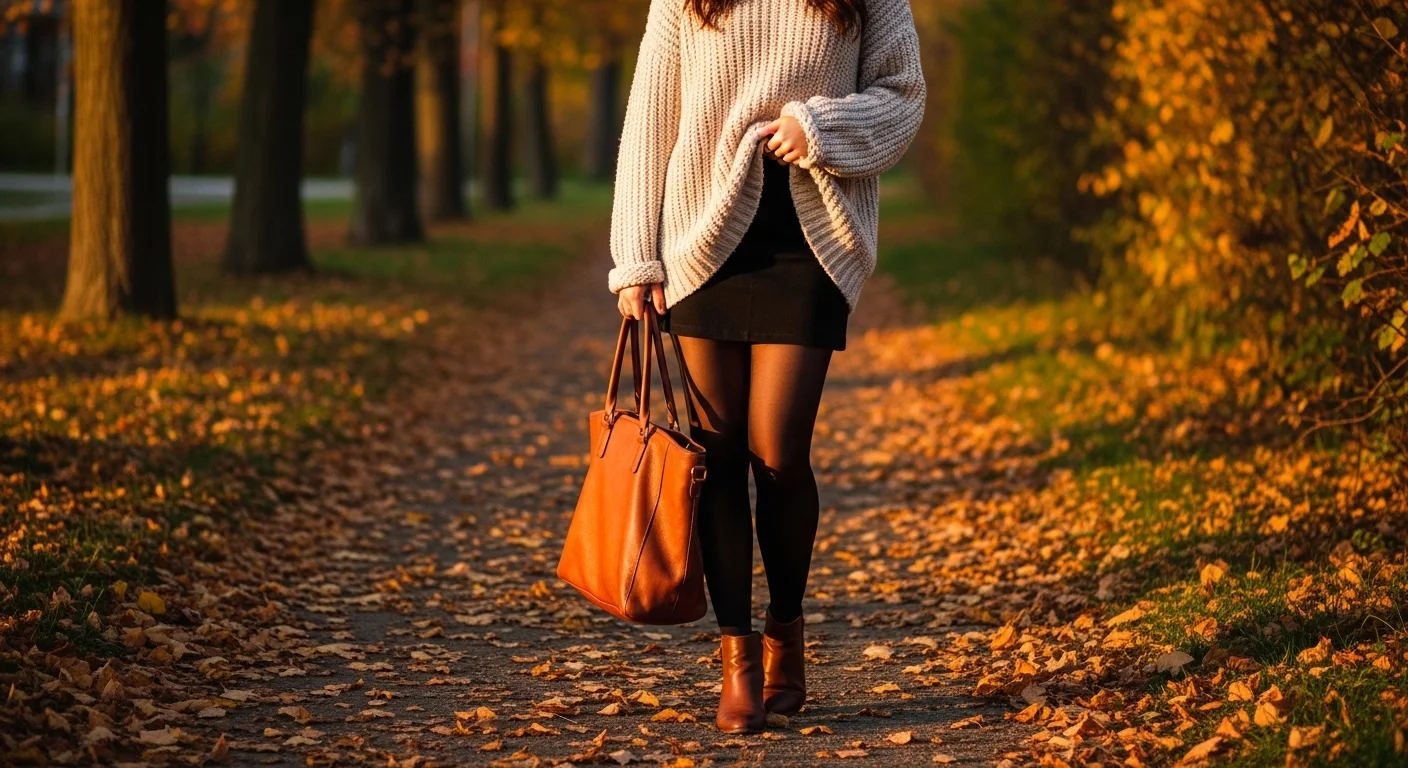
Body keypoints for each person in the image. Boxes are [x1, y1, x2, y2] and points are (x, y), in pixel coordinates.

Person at [607, 0, 926, 733]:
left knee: (779, 454)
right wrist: (636, 261)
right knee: (718, 458)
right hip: (703, 238)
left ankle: (786, 631)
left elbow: (903, 96)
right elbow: (652, 118)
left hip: (810, 240)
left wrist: (818, 127)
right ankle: (738, 660)